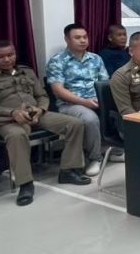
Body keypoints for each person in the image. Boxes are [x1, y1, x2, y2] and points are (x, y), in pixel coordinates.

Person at [0, 41, 91, 205]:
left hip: (36, 114)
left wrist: (40, 109)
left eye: (10, 55)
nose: (7, 59)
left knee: (75, 124)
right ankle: (25, 184)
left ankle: (68, 170)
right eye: (1, 57)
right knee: (17, 135)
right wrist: (13, 113)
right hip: (8, 119)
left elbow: (42, 96)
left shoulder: (26, 71)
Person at [46, 23, 109, 176]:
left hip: (96, 100)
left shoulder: (96, 58)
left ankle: (117, 149)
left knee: (124, 108)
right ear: (67, 39)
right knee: (89, 119)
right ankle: (95, 158)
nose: (83, 40)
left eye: (85, 37)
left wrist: (101, 100)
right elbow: (58, 90)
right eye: (77, 37)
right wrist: (84, 102)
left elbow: (105, 83)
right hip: (70, 104)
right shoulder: (57, 61)